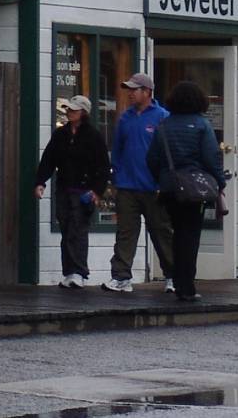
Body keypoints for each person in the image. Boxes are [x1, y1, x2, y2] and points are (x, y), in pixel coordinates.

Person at [146, 78, 225, 302]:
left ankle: (175, 278)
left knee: (176, 233)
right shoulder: (202, 125)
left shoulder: (163, 125)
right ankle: (186, 286)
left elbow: (152, 158)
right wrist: (220, 182)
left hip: (170, 187)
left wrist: (161, 179)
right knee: (190, 237)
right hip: (194, 189)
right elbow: (211, 157)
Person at [34, 94, 111, 287]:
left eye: (73, 109)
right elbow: (49, 159)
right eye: (68, 109)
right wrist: (41, 181)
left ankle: (79, 272)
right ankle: (69, 271)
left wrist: (97, 191)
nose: (69, 112)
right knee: (67, 229)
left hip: (84, 191)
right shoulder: (60, 135)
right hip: (63, 188)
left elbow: (103, 166)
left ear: (83, 113)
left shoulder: (94, 136)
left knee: (78, 230)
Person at [105, 72, 173, 292]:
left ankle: (173, 275)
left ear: (147, 92)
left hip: (154, 187)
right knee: (125, 233)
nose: (130, 94)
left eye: (135, 90)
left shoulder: (162, 117)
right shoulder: (125, 118)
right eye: (129, 90)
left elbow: (168, 152)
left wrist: (165, 182)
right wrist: (116, 177)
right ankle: (121, 277)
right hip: (127, 186)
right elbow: (117, 150)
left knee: (161, 232)